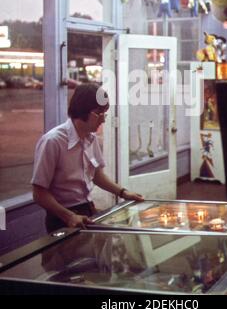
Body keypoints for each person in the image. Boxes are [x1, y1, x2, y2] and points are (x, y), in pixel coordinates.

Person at [31, 83, 144, 233]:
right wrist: (69, 216)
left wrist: (123, 192)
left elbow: (97, 176)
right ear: (83, 110)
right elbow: (39, 193)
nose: (103, 120)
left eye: (105, 114)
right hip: (62, 216)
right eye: (99, 113)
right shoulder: (53, 141)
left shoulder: (90, 138)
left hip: (88, 209)